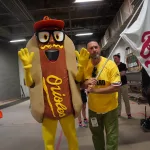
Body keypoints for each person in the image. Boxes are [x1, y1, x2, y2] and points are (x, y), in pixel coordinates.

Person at [76, 41, 121, 150]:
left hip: (110, 108)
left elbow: (116, 87)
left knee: (112, 137)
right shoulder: (85, 66)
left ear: (99, 49)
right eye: (91, 48)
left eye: (96, 47)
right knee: (97, 136)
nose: (94, 50)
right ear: (88, 51)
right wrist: (86, 83)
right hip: (94, 110)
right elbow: (79, 84)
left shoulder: (110, 64)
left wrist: (95, 91)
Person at [113, 54, 132, 119]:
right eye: (114, 58)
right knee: (118, 101)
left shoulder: (123, 65)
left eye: (115, 58)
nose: (114, 60)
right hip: (117, 85)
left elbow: (123, 73)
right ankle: (118, 113)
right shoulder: (113, 66)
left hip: (124, 84)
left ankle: (128, 113)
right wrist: (118, 74)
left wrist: (115, 75)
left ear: (119, 58)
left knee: (126, 99)